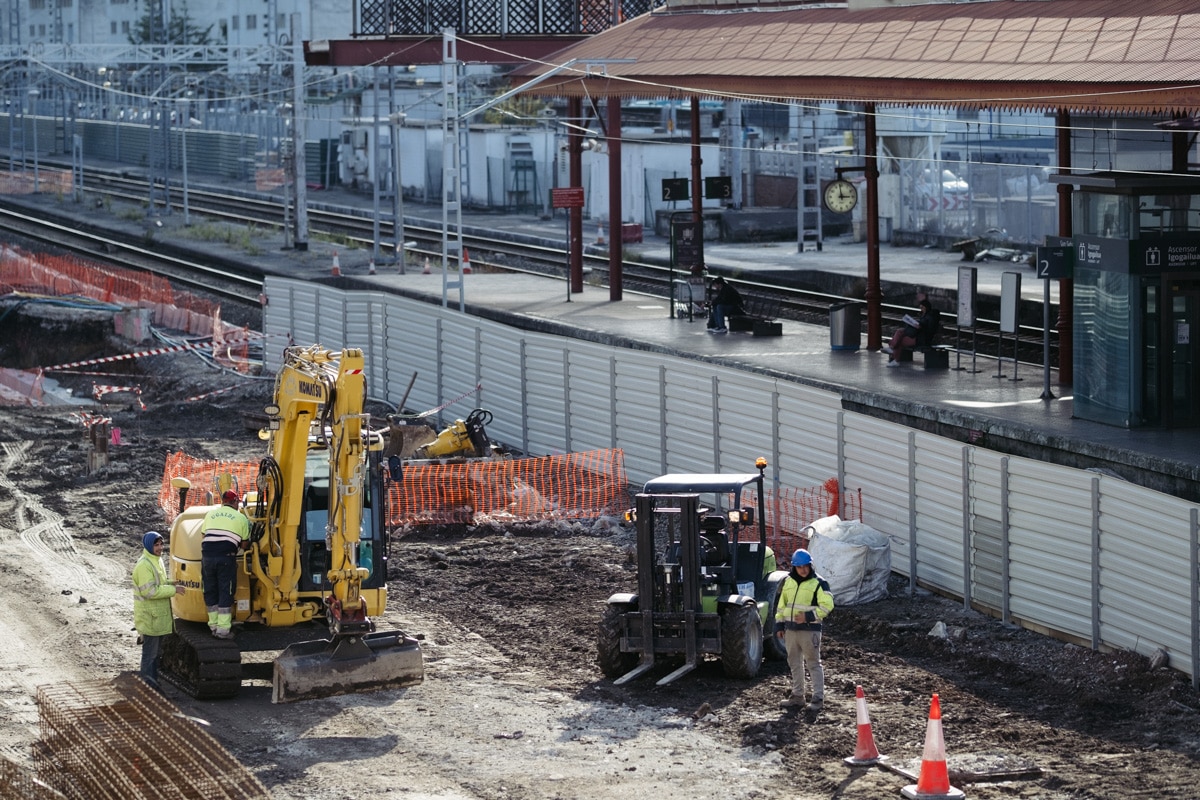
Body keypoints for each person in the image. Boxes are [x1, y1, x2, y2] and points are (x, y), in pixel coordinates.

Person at [775, 548, 834, 711]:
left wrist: (808, 616)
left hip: (810, 630)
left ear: (810, 565)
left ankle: (817, 698)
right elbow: (781, 606)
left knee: (813, 663)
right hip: (790, 631)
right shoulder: (788, 582)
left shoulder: (819, 583)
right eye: (799, 567)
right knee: (794, 663)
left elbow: (828, 605)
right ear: (794, 567)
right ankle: (797, 696)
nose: (803, 570)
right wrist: (779, 624)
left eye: (806, 566)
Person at [132, 531, 185, 691]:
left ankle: (152, 683)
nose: (160, 548)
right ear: (149, 545)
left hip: (157, 618)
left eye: (161, 544)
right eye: (156, 545)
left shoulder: (156, 561)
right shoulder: (144, 565)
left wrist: (172, 583)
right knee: (150, 655)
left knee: (155, 654)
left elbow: (159, 582)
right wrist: (173, 590)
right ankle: (148, 687)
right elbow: (150, 592)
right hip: (150, 618)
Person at [200, 489, 250, 639]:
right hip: (225, 558)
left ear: (222, 501)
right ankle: (223, 630)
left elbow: (204, 535)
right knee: (225, 591)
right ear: (235, 502)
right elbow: (245, 544)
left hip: (207, 558)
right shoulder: (241, 518)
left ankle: (213, 625)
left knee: (210, 590)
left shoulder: (210, 514)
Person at [883, 296, 940, 366]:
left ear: (926, 307)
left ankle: (894, 355)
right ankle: (893, 354)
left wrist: (920, 327)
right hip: (917, 336)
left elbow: (930, 330)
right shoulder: (925, 316)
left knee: (900, 340)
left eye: (922, 308)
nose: (921, 309)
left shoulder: (931, 317)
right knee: (899, 332)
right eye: (921, 308)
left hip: (922, 339)